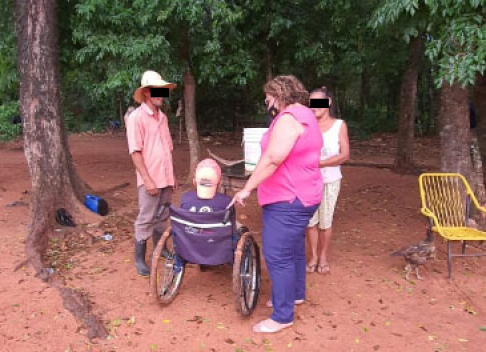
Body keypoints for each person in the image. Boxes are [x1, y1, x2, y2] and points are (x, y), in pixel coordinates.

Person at [230, 75, 323, 333]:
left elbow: (273, 158)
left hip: (288, 198)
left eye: (268, 97)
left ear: (279, 96)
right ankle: (295, 294)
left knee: (277, 254)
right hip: (305, 194)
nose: (266, 102)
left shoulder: (288, 119)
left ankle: (282, 316)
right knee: (293, 248)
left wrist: (248, 188)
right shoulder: (305, 114)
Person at [126, 70, 177, 276]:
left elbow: (167, 150)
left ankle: (161, 248)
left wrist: (171, 178)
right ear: (146, 93)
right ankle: (139, 259)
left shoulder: (163, 118)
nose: (160, 95)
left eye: (163, 91)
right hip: (150, 179)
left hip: (165, 177)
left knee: (163, 215)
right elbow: (135, 152)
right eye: (157, 91)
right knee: (146, 217)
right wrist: (147, 180)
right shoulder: (137, 118)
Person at [306, 86, 350, 274]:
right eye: (311, 102)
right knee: (310, 221)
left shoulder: (339, 125)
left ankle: (323, 255)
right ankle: (313, 256)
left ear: (328, 103)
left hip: (330, 180)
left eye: (318, 102)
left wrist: (320, 164)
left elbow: (345, 155)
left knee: (325, 220)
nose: (314, 106)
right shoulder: (306, 125)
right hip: (308, 181)